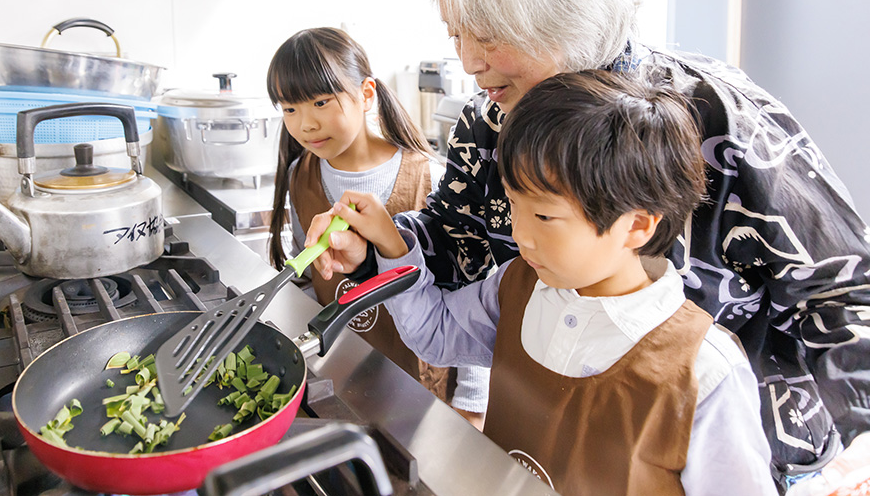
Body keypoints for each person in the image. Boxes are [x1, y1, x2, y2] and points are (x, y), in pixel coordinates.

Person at [303, 0, 870, 487]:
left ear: (559, 16)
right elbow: (454, 242)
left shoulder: (718, 114)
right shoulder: (491, 118)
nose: (469, 62)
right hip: (560, 435)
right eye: (456, 35)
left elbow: (846, 294)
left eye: (488, 35)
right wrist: (379, 243)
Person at [323, 69, 778, 495]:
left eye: (544, 215)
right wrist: (391, 245)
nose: (520, 234)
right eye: (514, 206)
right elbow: (437, 334)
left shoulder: (704, 374)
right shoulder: (519, 286)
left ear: (637, 225)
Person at [265, 26, 490, 425]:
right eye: (290, 109)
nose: (306, 125)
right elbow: (308, 278)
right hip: (335, 374)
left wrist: (472, 401)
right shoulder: (301, 173)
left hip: (419, 388)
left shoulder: (431, 179)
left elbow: (471, 297)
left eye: (320, 102)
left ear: (366, 94)